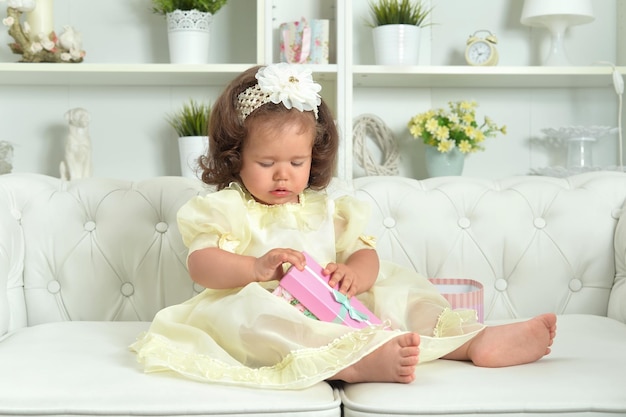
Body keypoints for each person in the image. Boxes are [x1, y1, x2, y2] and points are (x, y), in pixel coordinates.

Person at [131, 63, 556, 389]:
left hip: (335, 301)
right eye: (266, 163)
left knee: (398, 299)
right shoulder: (227, 208)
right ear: (235, 156)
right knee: (261, 319)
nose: (283, 175)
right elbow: (201, 265)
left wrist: (355, 273)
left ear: (313, 158)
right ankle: (354, 364)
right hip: (266, 301)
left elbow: (364, 252)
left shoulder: (327, 208)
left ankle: (470, 342)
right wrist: (255, 268)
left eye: (296, 163)